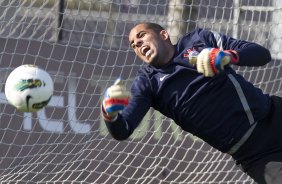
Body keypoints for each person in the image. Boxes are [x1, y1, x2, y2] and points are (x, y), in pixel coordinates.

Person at [101, 22, 282, 184]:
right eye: (133, 45)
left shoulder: (199, 39)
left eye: (141, 36)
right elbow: (123, 129)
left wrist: (228, 56)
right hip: (256, 155)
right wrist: (109, 114)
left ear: (164, 35)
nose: (137, 44)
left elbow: (262, 54)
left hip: (275, 115)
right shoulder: (147, 83)